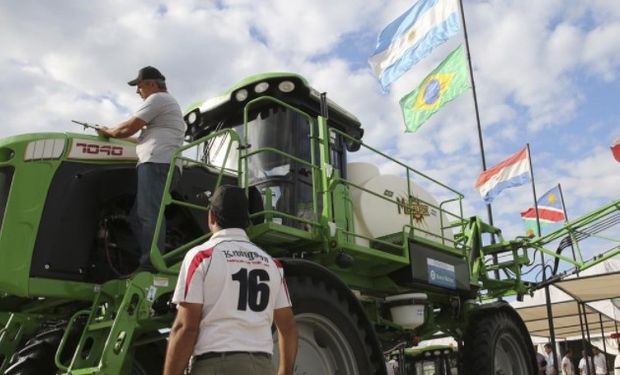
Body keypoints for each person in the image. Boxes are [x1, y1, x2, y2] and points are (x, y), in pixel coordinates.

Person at [163, 185, 298, 375]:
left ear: (211, 217)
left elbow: (186, 327)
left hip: (215, 364)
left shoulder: (201, 257)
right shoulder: (272, 264)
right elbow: (288, 326)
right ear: (247, 222)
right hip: (261, 366)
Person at [97, 66, 186, 269]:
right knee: (137, 217)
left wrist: (108, 132)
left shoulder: (158, 99)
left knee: (149, 214)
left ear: (151, 84)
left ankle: (151, 263)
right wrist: (114, 133)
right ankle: (150, 257)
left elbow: (129, 126)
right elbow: (138, 135)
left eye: (139, 86)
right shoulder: (166, 107)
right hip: (160, 163)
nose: (138, 91)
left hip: (157, 163)